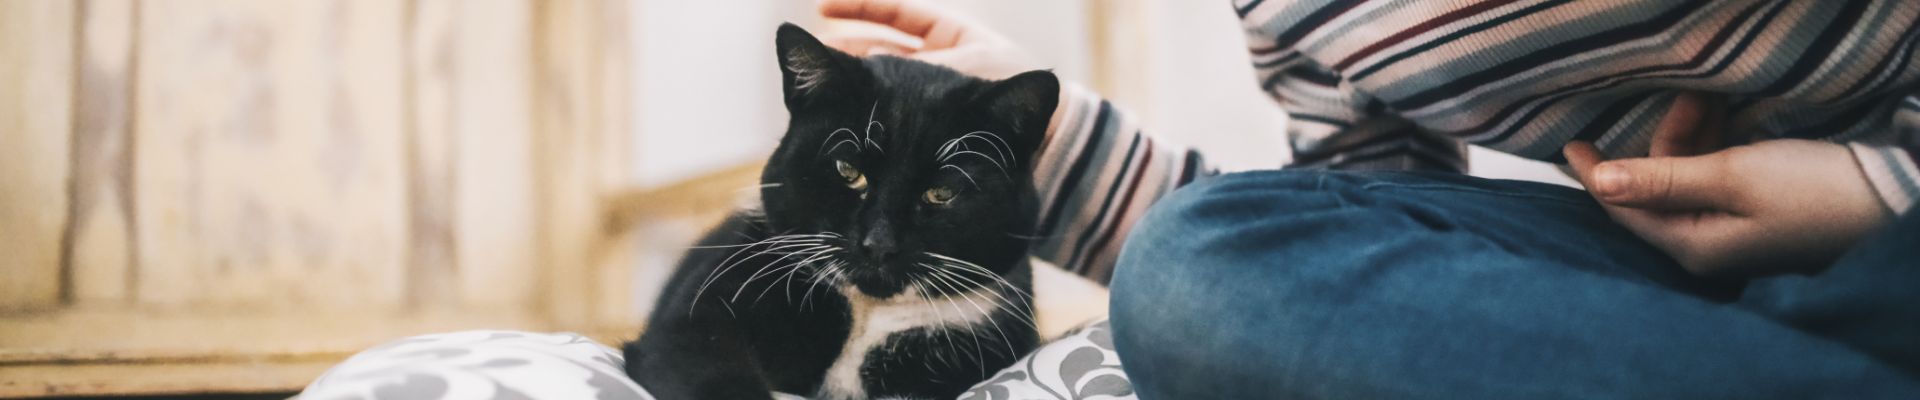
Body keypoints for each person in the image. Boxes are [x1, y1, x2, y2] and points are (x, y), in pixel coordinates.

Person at [819, 0, 1920, 397]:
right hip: (1670, 299)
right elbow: (1357, 252)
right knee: (1205, 261)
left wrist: (1880, 190)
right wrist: (1037, 143)